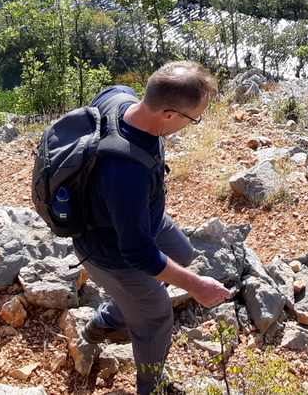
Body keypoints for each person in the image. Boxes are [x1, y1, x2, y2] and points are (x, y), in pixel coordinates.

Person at [73, 62, 231, 395]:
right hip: (108, 250)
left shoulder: (120, 98)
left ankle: (116, 316)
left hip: (137, 219)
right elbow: (137, 252)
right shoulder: (126, 171)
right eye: (194, 118)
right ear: (170, 115)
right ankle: (150, 385)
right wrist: (198, 287)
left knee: (181, 253)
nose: (193, 125)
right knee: (158, 313)